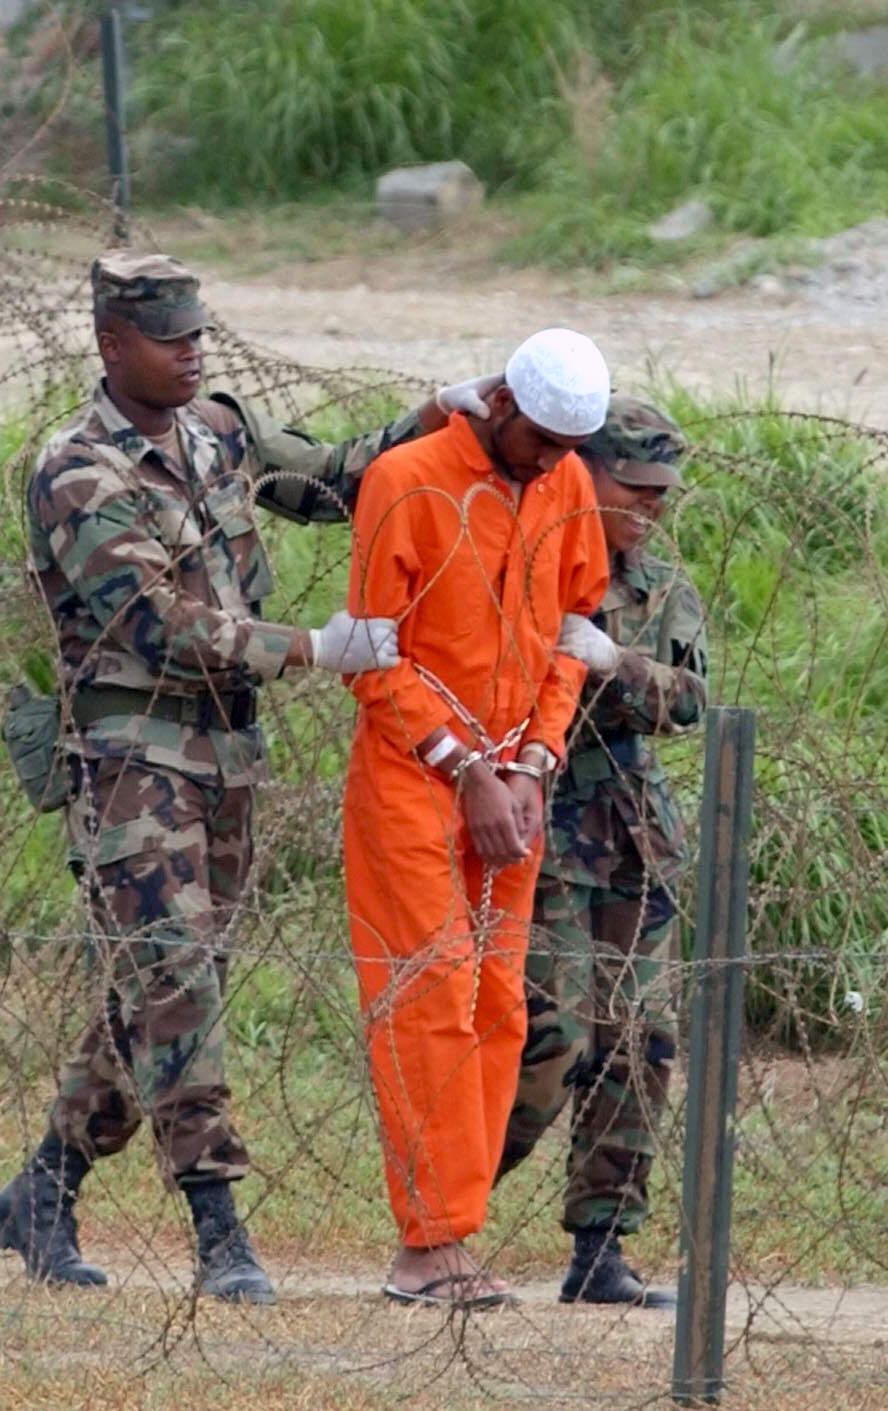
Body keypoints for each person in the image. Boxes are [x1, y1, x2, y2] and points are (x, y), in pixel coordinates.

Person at [0, 251, 424, 1304]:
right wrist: (313, 647)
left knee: (166, 989)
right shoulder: (76, 472)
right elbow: (158, 626)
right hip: (131, 756)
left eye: (196, 337)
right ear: (109, 345)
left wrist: (440, 421)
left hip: (224, 755)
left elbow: (328, 480)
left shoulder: (216, 434)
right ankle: (218, 1227)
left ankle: (43, 1186)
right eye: (168, 340)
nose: (191, 355)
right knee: (174, 980)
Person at [341, 326, 613, 1308]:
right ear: (497, 401)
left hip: (514, 784)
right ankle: (427, 1243)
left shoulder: (565, 482)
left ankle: (451, 1230)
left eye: (564, 447)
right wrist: (461, 767)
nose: (547, 461)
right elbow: (368, 653)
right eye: (537, 439)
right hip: (414, 780)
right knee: (428, 996)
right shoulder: (404, 478)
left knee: (496, 1003)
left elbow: (575, 630)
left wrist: (535, 762)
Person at [492, 395, 704, 1308]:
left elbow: (692, 699)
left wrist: (613, 663)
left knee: (639, 1045)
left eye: (664, 492)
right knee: (548, 1041)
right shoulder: (527, 558)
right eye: (636, 486)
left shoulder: (661, 586)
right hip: (543, 828)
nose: (651, 506)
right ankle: (438, 1208)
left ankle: (603, 1247)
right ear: (585, 473)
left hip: (633, 836)